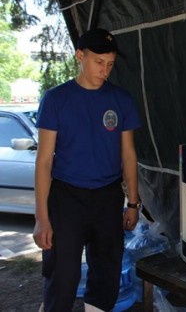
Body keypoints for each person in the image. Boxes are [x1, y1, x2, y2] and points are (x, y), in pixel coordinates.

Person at [33, 28, 142, 312]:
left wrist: (133, 203)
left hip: (107, 197)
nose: (104, 70)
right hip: (66, 197)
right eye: (98, 62)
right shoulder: (56, 99)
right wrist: (42, 218)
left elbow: (128, 155)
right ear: (80, 56)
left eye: (110, 64)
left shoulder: (121, 100)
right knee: (63, 274)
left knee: (107, 271)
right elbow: (44, 162)